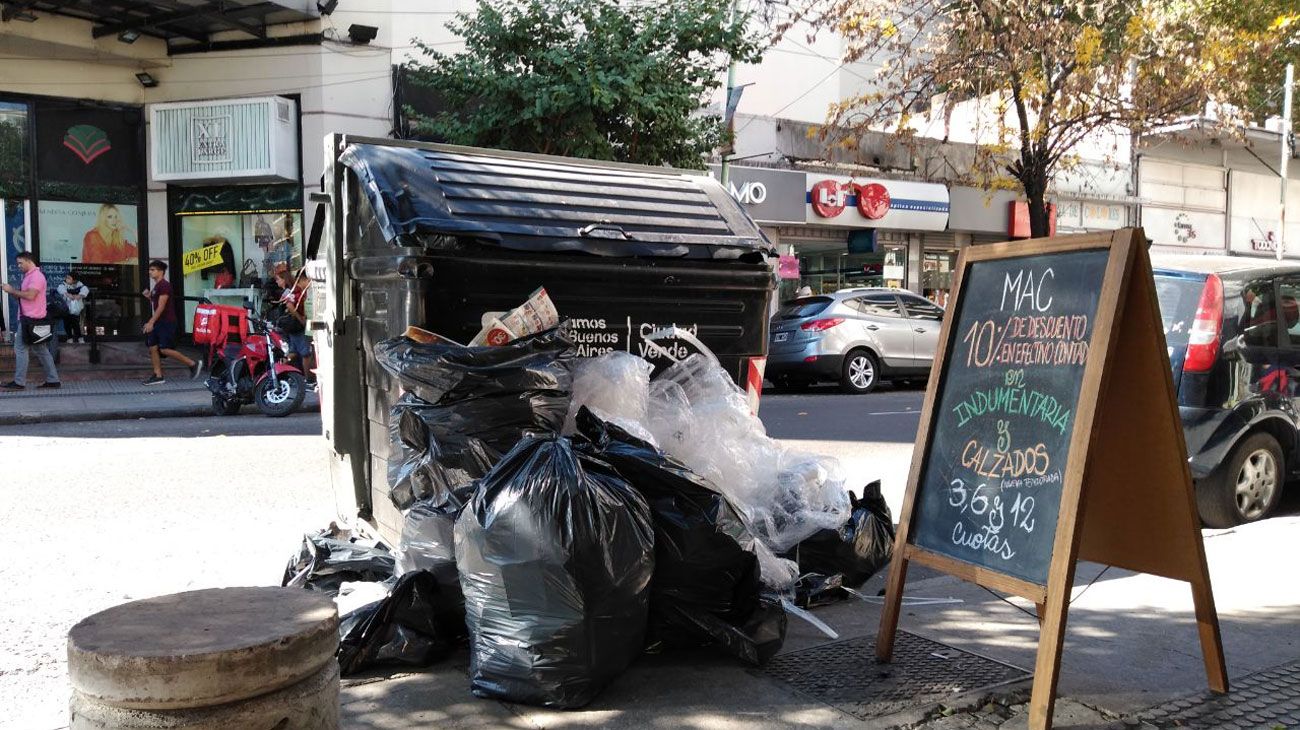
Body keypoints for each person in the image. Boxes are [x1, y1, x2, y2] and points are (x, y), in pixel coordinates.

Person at [1, 252, 60, 390]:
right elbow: (24, 297)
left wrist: (11, 290)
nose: (18, 266)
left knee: (20, 348)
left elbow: (31, 295)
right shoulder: (29, 277)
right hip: (31, 319)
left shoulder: (36, 276)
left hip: (31, 319)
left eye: (20, 263)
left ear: (29, 261)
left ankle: (19, 382)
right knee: (41, 350)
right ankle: (53, 380)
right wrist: (13, 292)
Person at [141, 260, 202, 386]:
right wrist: (149, 297)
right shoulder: (157, 286)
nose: (150, 272)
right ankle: (158, 375)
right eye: (150, 270)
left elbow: (162, 306)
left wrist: (151, 322)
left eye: (153, 270)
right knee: (152, 347)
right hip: (159, 322)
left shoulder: (164, 285)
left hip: (166, 322)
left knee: (164, 349)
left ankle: (192, 364)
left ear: (161, 271)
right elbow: (157, 301)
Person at [275, 267, 314, 383]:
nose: (310, 283)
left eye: (278, 279)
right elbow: (290, 306)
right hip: (298, 326)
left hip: (291, 326)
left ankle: (277, 371)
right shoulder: (296, 290)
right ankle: (309, 380)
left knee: (293, 352)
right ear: (302, 280)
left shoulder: (293, 291)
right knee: (306, 353)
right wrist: (300, 319)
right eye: (308, 280)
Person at [57, 273, 89, 343]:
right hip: (66, 307)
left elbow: (85, 290)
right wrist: (67, 294)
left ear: (74, 280)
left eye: (69, 278)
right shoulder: (63, 285)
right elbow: (60, 289)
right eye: (67, 277)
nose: (66, 279)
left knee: (75, 323)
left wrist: (79, 296)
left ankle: (79, 338)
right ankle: (69, 338)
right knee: (67, 323)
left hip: (75, 309)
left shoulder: (80, 285)